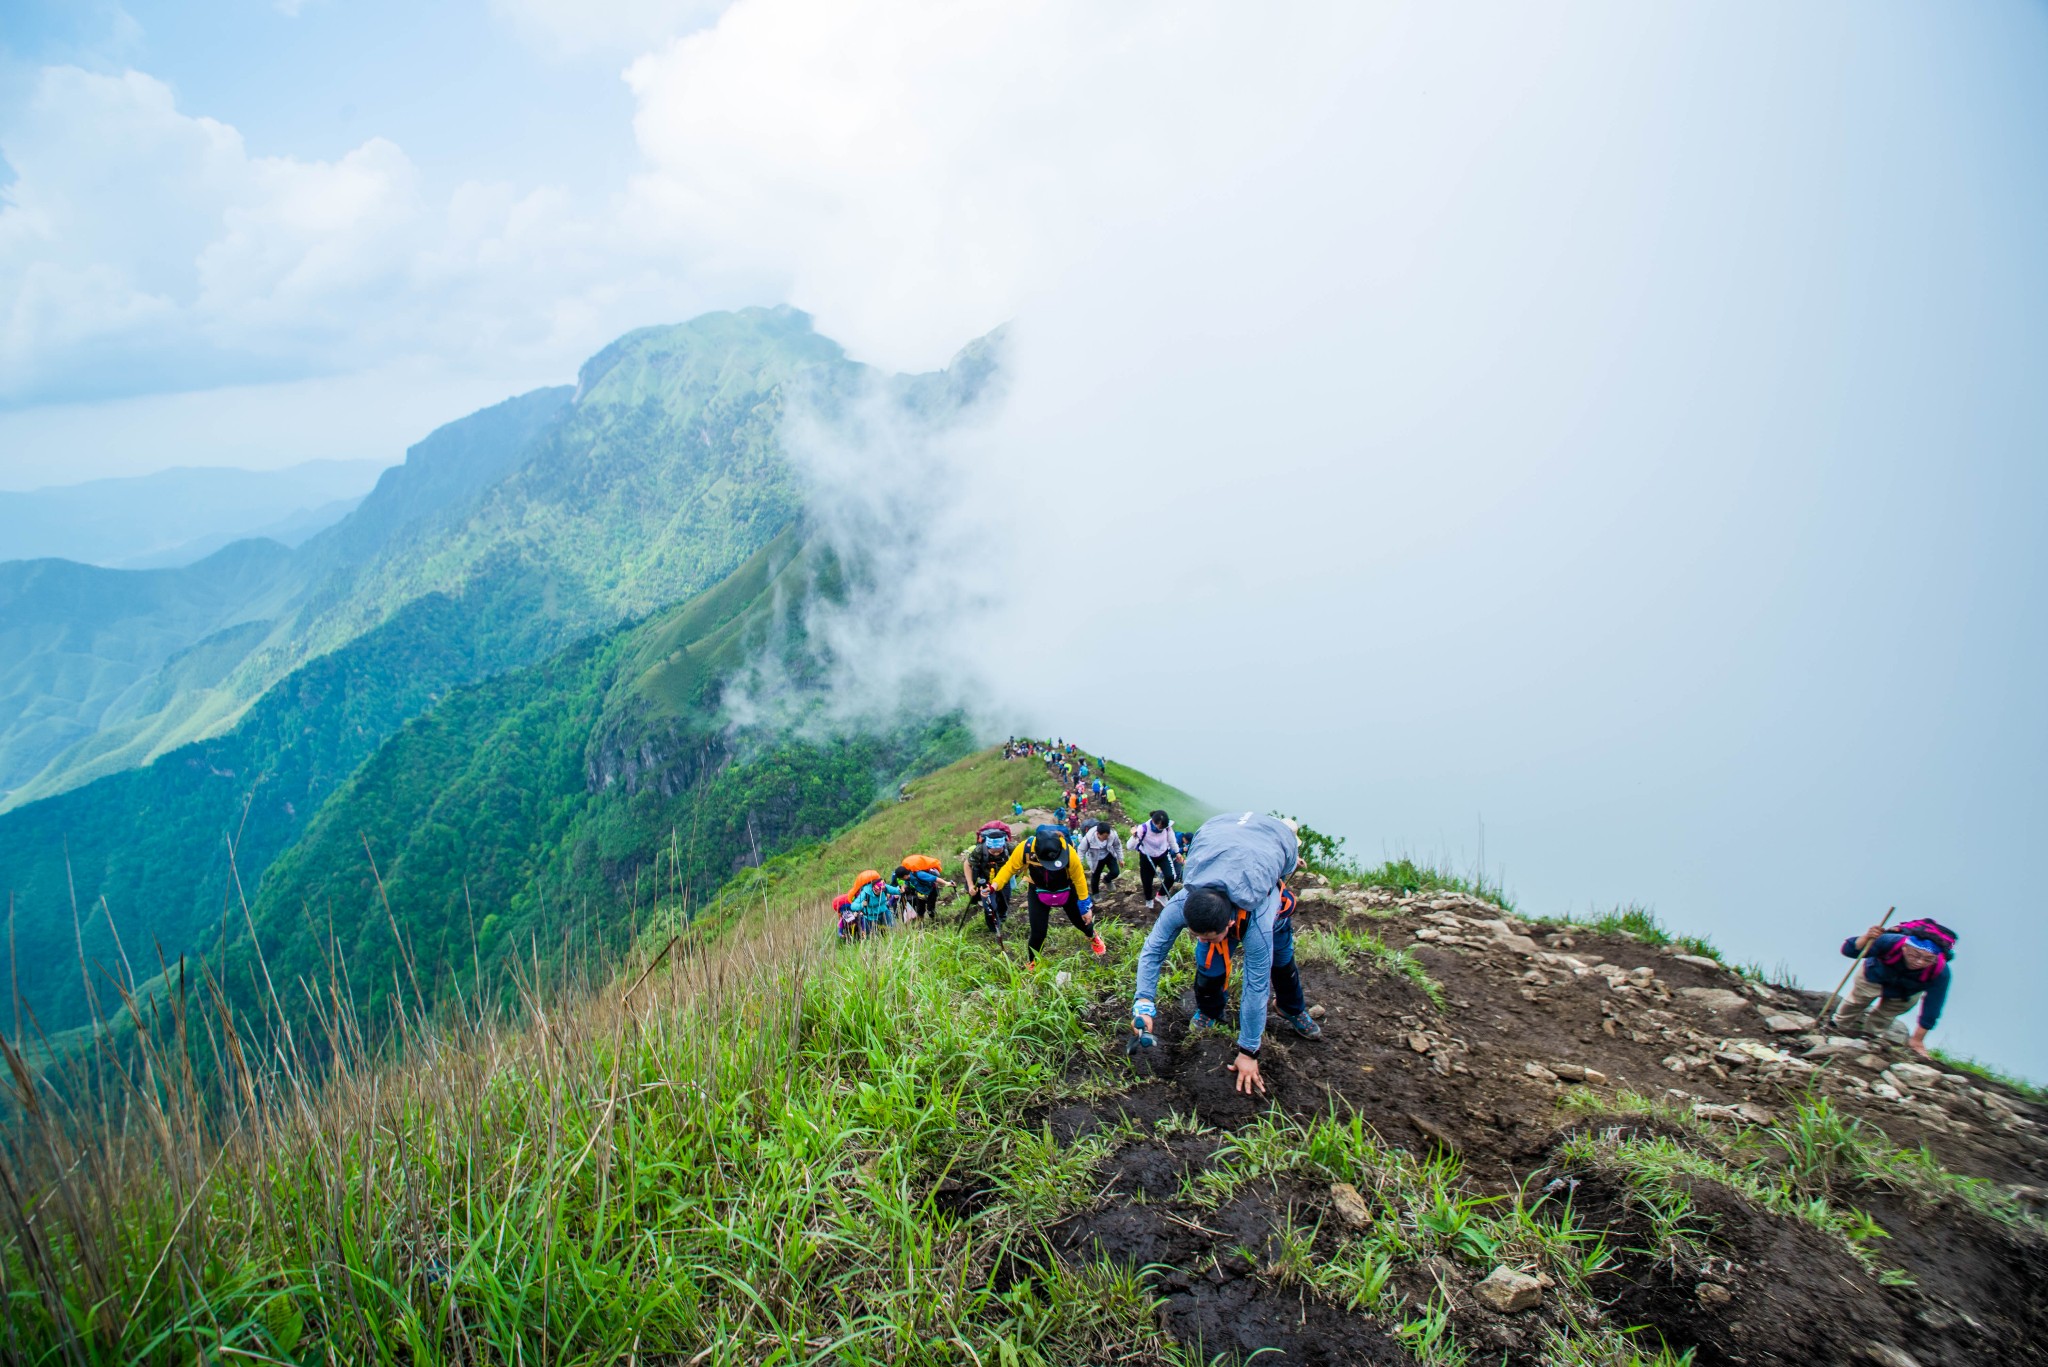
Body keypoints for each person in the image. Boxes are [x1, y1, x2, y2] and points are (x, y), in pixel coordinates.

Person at [1130, 812, 1322, 1095]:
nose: (1198, 938)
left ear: (1229, 924)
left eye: (1207, 936)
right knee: (1208, 963)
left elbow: (1255, 987)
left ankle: (1291, 1008)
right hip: (1220, 836)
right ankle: (1209, 1010)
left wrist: (1248, 1052)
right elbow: (1153, 950)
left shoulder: (1259, 921)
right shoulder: (1183, 902)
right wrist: (1143, 1002)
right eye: (1194, 934)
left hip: (1265, 876)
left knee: (1280, 963)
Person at [1831, 917, 1956, 1058]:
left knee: (1884, 1016)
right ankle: (1836, 1027)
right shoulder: (1890, 941)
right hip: (1875, 975)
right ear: (1905, 947)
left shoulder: (1940, 971)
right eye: (1915, 955)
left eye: (1928, 959)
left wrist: (1917, 1040)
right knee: (1856, 1001)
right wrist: (1866, 938)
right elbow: (1850, 950)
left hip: (1906, 991)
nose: (1919, 962)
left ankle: (1868, 1041)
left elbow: (1933, 1006)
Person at [985, 826, 1107, 967]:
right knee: (1038, 932)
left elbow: (1079, 879)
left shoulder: (1069, 852)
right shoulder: (1025, 848)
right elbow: (1009, 868)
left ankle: (1093, 937)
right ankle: (1032, 963)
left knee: (1082, 922)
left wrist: (1085, 907)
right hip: (1038, 890)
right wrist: (994, 885)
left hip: (1066, 889)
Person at [963, 822, 1015, 935]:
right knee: (989, 905)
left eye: (999, 851)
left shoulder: (1009, 847)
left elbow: (1021, 857)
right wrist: (971, 885)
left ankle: (1002, 917)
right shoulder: (980, 849)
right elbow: (967, 864)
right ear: (988, 847)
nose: (996, 853)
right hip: (985, 879)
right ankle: (993, 930)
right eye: (993, 851)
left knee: (1004, 901)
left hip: (1003, 879)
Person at [1129, 810, 1181, 910]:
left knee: (1171, 876)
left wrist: (1177, 852)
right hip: (1147, 857)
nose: (1162, 829)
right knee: (1147, 881)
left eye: (1164, 827)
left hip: (1163, 854)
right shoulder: (1143, 829)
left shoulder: (1167, 828)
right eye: (1160, 826)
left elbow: (1172, 841)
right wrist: (1134, 836)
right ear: (1154, 822)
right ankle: (1149, 900)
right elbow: (1129, 846)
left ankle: (1161, 895)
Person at [890, 855, 952, 921]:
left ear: (904, 876)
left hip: (931, 891)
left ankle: (934, 920)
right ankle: (921, 924)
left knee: (930, 909)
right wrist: (901, 889)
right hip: (920, 893)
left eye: (901, 878)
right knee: (920, 911)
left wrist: (946, 883)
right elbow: (906, 884)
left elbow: (936, 879)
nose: (901, 879)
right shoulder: (908, 878)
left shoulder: (919, 874)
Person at [1079, 820, 1124, 897]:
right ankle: (1096, 894)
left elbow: (1117, 846)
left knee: (1115, 872)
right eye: (1104, 836)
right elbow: (1081, 850)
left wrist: (1121, 859)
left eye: (1107, 836)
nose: (1106, 838)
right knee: (1096, 876)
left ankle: (1107, 880)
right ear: (1098, 834)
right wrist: (1080, 863)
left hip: (1108, 853)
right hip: (1095, 858)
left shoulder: (1112, 835)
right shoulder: (1088, 838)